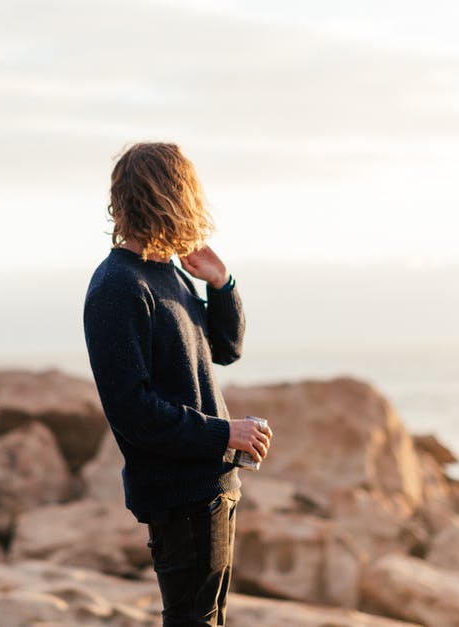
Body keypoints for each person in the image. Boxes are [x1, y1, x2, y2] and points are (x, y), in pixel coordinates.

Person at [82, 142, 273, 626]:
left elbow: (225, 350)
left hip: (211, 483)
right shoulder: (117, 287)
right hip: (179, 491)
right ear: (175, 196)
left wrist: (221, 283)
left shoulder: (166, 274)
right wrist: (224, 433)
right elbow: (133, 411)